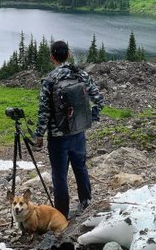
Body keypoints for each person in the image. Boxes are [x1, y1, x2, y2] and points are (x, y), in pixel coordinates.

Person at [33, 40, 104, 219]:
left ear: (52, 57)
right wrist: (91, 117)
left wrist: (39, 135)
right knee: (80, 167)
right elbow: (98, 98)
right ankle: (86, 202)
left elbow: (44, 111)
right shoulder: (80, 75)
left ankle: (61, 214)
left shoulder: (50, 80)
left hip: (58, 137)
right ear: (69, 54)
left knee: (59, 175)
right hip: (78, 132)